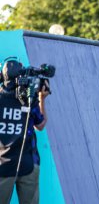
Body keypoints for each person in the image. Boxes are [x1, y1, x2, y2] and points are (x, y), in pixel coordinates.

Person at [0, 59, 50, 204]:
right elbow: (40, 125)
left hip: (3, 164)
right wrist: (42, 98)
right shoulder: (28, 100)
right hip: (28, 163)